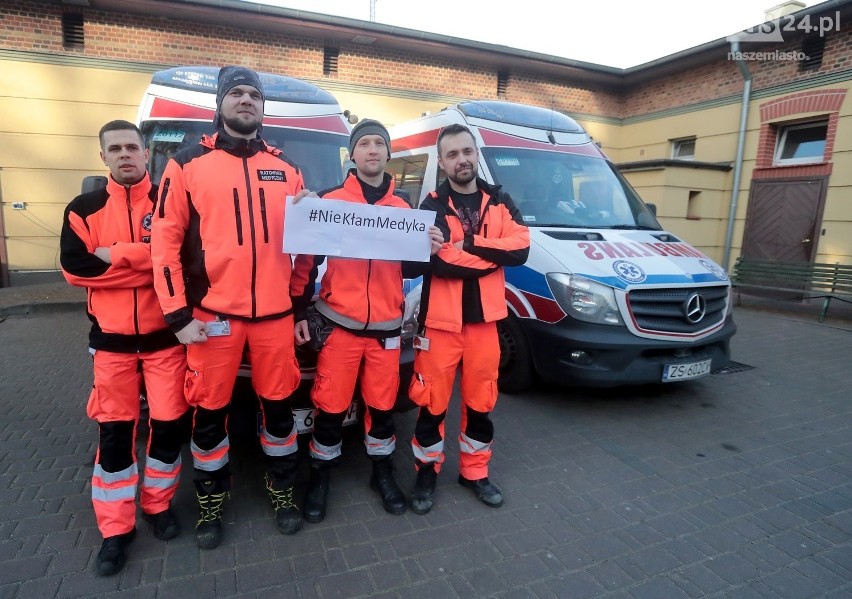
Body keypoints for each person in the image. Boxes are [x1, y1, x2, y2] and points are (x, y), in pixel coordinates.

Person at [151, 66, 310, 549]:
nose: (246, 101)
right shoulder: (186, 163)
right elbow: (164, 244)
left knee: (280, 412)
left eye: (254, 95)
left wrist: (300, 305)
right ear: (219, 104)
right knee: (208, 416)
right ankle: (209, 503)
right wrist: (177, 315)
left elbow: (306, 247)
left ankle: (282, 491)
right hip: (211, 318)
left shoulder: (287, 169)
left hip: (276, 320)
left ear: (263, 108)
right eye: (237, 94)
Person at [291, 119, 443, 522]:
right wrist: (298, 309)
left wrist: (428, 248)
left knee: (382, 406)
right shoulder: (329, 200)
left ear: (388, 153)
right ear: (352, 155)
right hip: (339, 325)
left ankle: (382, 473)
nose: (373, 150)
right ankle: (320, 477)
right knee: (329, 406)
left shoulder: (404, 209)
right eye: (365, 144)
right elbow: (307, 261)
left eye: (379, 143)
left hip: (386, 332)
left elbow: (411, 268)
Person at [60, 120, 189, 576]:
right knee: (115, 435)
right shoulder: (82, 208)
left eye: (132, 147)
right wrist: (151, 260)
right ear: (103, 158)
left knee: (170, 427)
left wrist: (115, 254)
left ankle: (157, 505)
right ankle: (116, 528)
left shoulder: (170, 202)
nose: (125, 155)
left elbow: (184, 264)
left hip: (165, 342)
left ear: (145, 151)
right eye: (114, 149)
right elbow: (76, 270)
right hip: (111, 346)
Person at [408, 123, 530, 514]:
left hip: (485, 326)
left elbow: (522, 248)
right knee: (432, 405)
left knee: (481, 403)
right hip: (440, 327)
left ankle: (474, 472)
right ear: (442, 163)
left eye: (467, 151)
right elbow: (441, 262)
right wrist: (491, 256)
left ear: (476, 154)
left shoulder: (501, 200)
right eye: (452, 154)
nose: (461, 159)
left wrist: (471, 244)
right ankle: (426, 472)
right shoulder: (431, 206)